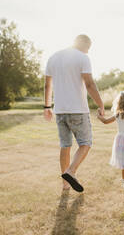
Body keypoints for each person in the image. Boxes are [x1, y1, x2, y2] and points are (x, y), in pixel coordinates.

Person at [44, 34, 104, 192]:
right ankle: (70, 172)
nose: (88, 52)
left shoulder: (53, 57)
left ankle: (65, 184)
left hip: (60, 111)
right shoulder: (82, 58)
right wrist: (101, 104)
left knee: (65, 146)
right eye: (88, 48)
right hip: (78, 110)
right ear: (84, 44)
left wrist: (47, 106)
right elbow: (90, 84)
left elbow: (47, 85)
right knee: (86, 143)